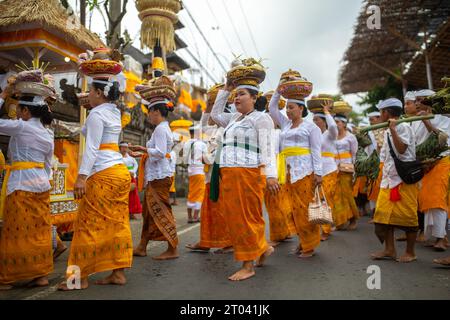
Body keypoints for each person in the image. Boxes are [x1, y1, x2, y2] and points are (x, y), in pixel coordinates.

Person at [58, 73, 133, 291]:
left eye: (90, 90)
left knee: (86, 226)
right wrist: (89, 107)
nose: (87, 94)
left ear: (99, 93)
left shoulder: (97, 115)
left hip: (103, 173)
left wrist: (81, 177)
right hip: (119, 172)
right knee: (117, 223)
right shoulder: (113, 112)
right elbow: (87, 132)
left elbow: (91, 148)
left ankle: (77, 279)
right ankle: (118, 273)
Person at [210, 61, 276, 281]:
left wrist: (271, 175)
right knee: (237, 217)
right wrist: (226, 90)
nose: (237, 98)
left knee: (245, 218)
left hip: (247, 173)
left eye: (242, 94)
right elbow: (215, 114)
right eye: (236, 95)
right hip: (228, 173)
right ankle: (262, 248)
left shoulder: (262, 118)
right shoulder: (233, 119)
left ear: (254, 98)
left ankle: (248, 265)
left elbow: (268, 149)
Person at [0, 75, 54, 290]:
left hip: (21, 186)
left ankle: (8, 277)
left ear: (25, 111)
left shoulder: (21, 127)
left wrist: (3, 95)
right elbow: (49, 166)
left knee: (16, 232)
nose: (17, 114)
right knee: (38, 231)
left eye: (18, 110)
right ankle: (40, 274)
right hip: (41, 185)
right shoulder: (48, 134)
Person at [269, 83, 322, 258]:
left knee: (303, 209)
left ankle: (309, 246)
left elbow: (316, 151)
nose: (288, 111)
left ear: (301, 108)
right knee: (291, 209)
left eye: (291, 108)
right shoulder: (284, 124)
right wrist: (279, 88)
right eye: (287, 108)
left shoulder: (311, 127)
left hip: (305, 171)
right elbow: (272, 107)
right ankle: (302, 240)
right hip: (286, 171)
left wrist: (318, 173)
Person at [133, 77, 179, 260]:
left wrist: (143, 149)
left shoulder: (161, 129)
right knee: (149, 212)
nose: (148, 115)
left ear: (157, 112)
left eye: (150, 111)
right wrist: (142, 154)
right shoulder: (162, 128)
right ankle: (142, 246)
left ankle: (172, 248)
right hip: (157, 175)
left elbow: (159, 152)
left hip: (159, 176)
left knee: (161, 210)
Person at [371, 98, 419, 263]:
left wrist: (394, 131)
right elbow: (384, 157)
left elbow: (401, 149)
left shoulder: (403, 127)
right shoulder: (386, 130)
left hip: (403, 180)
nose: (380, 115)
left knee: (408, 218)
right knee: (382, 218)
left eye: (381, 112)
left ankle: (410, 252)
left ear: (386, 113)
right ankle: (389, 250)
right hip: (388, 180)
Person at [185, 90, 233, 253]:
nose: (212, 117)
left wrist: (204, 156)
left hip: (219, 176)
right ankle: (206, 241)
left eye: (215, 113)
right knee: (208, 211)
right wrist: (209, 104)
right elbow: (203, 124)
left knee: (219, 211)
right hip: (209, 176)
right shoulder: (216, 130)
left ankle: (227, 242)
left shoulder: (225, 130)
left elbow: (213, 157)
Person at [413, 89, 450, 252]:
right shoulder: (416, 119)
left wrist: (426, 121)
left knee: (437, 200)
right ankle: (436, 235)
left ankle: (441, 238)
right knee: (428, 199)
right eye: (416, 100)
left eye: (421, 100)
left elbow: (442, 140)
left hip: (442, 162)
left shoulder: (444, 119)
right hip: (427, 164)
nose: (417, 103)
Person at [312, 101, 338, 241]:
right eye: (313, 119)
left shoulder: (330, 134)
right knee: (317, 199)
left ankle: (326, 230)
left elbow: (333, 126)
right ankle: (320, 226)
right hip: (316, 171)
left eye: (317, 119)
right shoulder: (313, 135)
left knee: (325, 199)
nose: (314, 122)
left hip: (330, 170)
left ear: (323, 121)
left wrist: (327, 112)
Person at [333, 114, 359, 230]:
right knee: (337, 196)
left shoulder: (351, 137)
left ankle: (353, 219)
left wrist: (354, 171)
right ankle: (340, 221)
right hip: (334, 168)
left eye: (338, 122)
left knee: (347, 195)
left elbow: (354, 154)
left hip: (347, 169)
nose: (335, 124)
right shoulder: (332, 136)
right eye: (334, 122)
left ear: (344, 124)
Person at [184, 127, 207, 223]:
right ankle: (195, 216)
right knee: (200, 194)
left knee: (191, 193)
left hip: (191, 172)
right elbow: (206, 158)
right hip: (200, 171)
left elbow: (184, 159)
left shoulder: (186, 144)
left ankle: (189, 216)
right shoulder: (201, 144)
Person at [120, 141, 142, 220]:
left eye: (126, 147)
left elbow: (136, 164)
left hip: (132, 176)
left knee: (133, 196)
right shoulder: (118, 157)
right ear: (120, 148)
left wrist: (133, 171)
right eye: (123, 147)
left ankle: (132, 212)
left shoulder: (130, 157)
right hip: (123, 176)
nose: (125, 149)